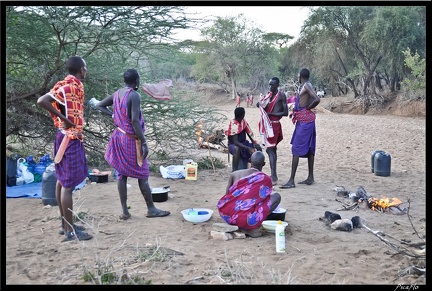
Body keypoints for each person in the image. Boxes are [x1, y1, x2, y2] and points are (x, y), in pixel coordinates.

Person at [96, 69, 170, 220]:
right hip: (131, 140)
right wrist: (144, 142)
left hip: (119, 136)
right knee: (142, 174)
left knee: (121, 174)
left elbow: (100, 105)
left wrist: (115, 116)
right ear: (137, 81)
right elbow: (135, 120)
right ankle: (151, 209)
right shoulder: (134, 95)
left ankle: (125, 211)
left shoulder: (117, 94)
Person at [37, 56, 93, 241]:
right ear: (81, 69)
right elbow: (42, 101)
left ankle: (65, 225)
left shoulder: (71, 86)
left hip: (65, 136)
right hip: (69, 137)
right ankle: (69, 231)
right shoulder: (67, 87)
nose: (86, 71)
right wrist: (65, 119)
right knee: (67, 185)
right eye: (85, 68)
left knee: (62, 181)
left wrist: (64, 119)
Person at [217, 151, 281, 238]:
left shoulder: (235, 174)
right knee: (276, 197)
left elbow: (227, 196)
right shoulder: (266, 179)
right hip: (245, 219)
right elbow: (263, 199)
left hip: (226, 214)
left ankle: (242, 223)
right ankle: (250, 226)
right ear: (264, 164)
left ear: (250, 160)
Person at [280, 68, 320, 189]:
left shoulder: (307, 86)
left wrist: (307, 108)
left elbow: (317, 99)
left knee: (296, 148)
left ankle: (291, 180)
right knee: (309, 147)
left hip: (305, 121)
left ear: (300, 75)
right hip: (305, 121)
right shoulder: (306, 85)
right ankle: (310, 177)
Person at [256, 77, 288, 185]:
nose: (270, 87)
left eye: (273, 85)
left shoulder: (281, 95)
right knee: (272, 150)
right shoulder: (268, 96)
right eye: (269, 85)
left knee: (270, 150)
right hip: (268, 125)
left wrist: (271, 114)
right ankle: (274, 175)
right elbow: (264, 107)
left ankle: (274, 177)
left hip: (274, 126)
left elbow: (285, 112)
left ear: (277, 85)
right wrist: (260, 104)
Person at [225, 107, 262, 171]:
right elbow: (235, 142)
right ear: (243, 115)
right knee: (237, 149)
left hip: (243, 143)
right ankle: (235, 170)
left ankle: (254, 169)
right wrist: (248, 148)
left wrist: (255, 143)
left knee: (257, 148)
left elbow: (250, 134)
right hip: (233, 145)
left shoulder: (243, 122)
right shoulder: (234, 124)